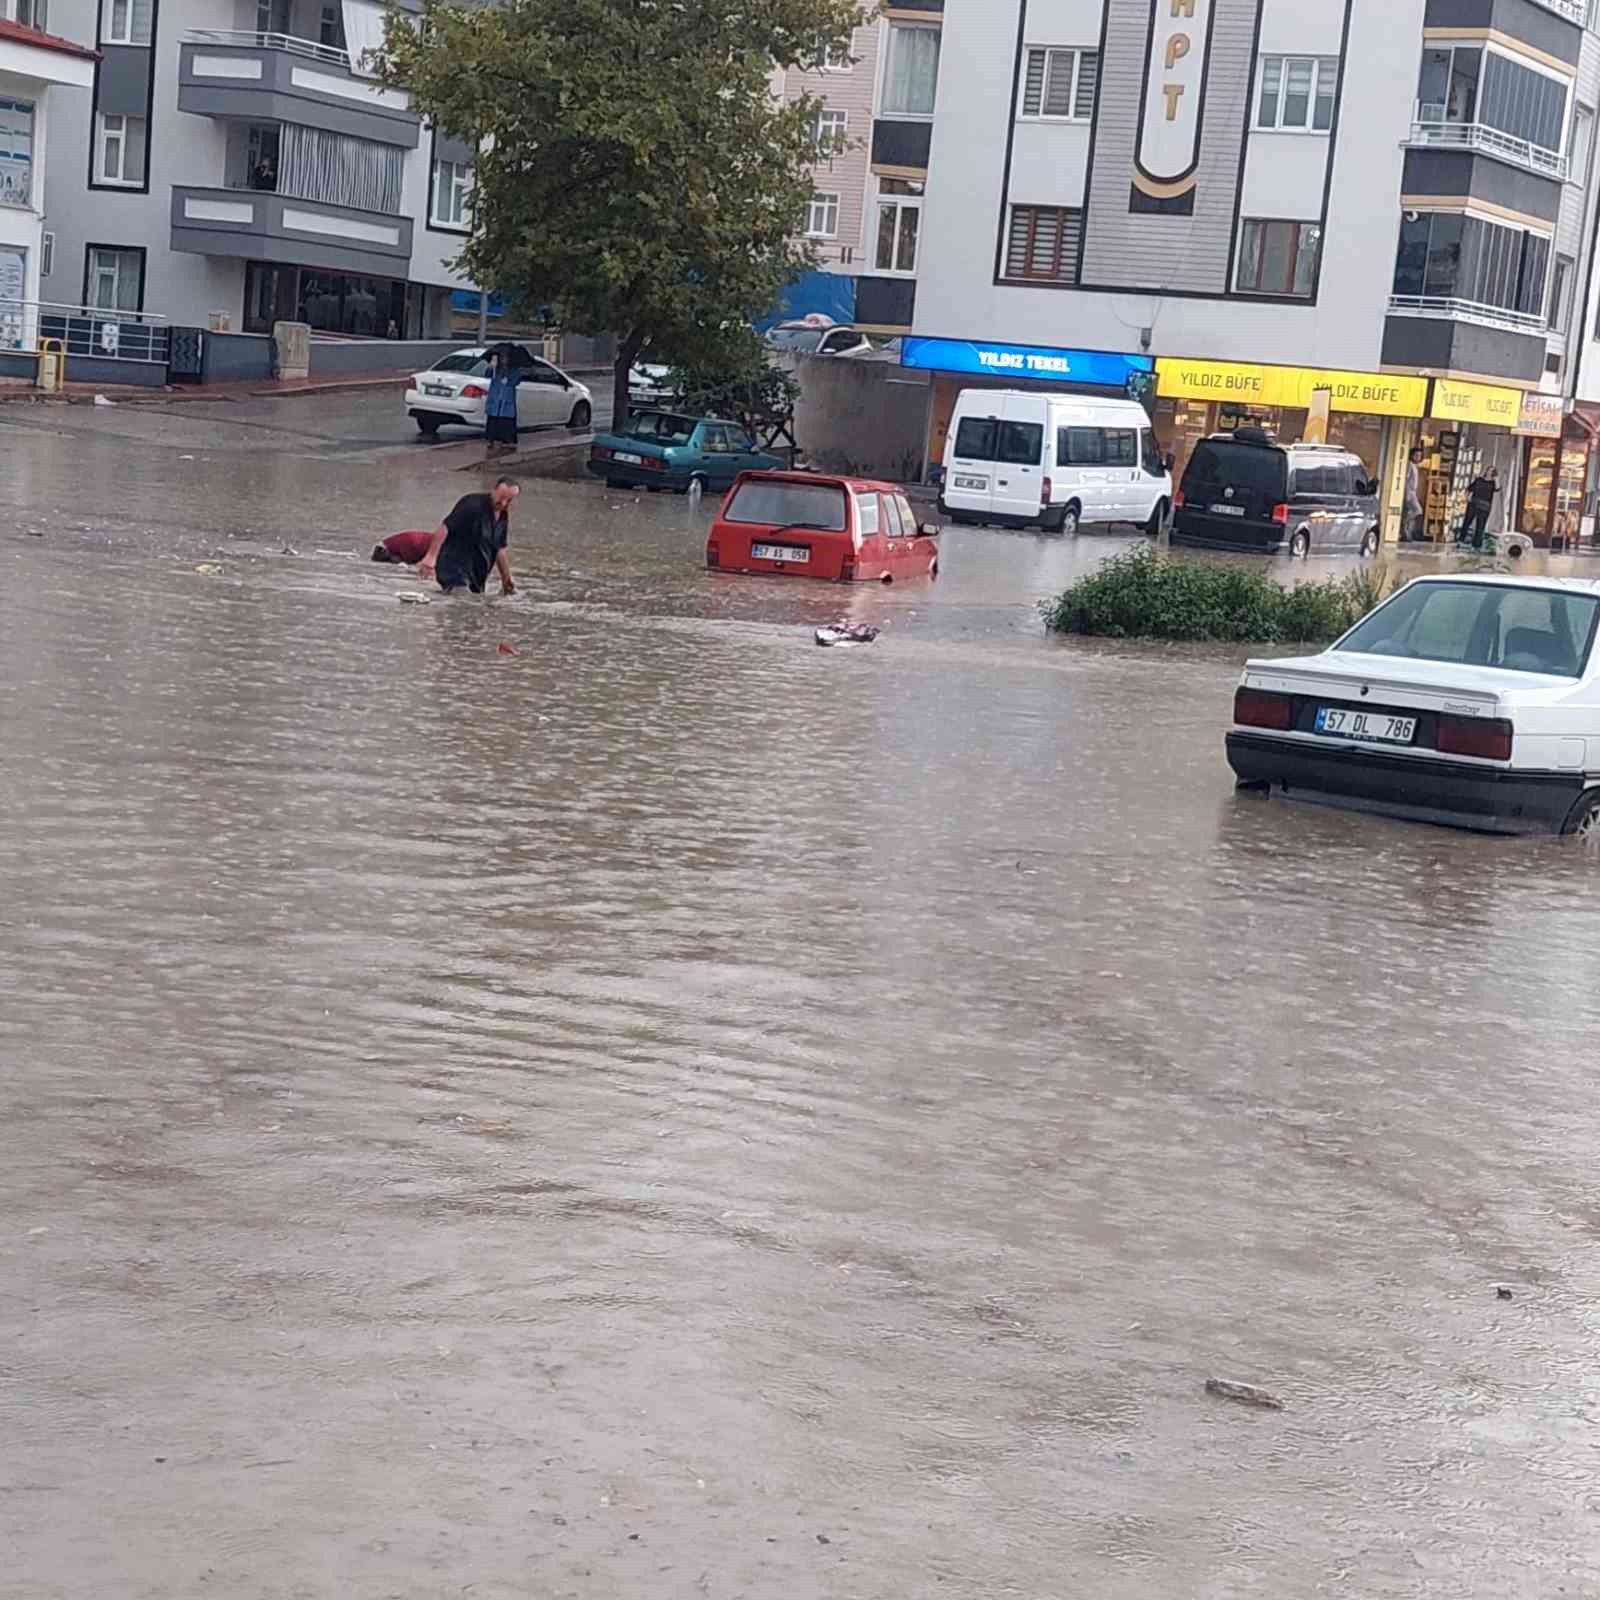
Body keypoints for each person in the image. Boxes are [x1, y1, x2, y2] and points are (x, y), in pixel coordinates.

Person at [416, 477, 521, 595]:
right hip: (454, 569)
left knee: (473, 606)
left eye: (509, 500)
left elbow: (499, 549)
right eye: (501, 497)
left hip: (476, 576)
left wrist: (506, 579)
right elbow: (445, 528)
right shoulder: (472, 504)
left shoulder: (502, 517)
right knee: (463, 600)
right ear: (494, 490)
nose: (503, 503)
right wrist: (431, 557)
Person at [483, 345, 523, 455]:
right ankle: (491, 439)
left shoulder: (514, 370)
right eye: (502, 357)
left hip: (507, 399)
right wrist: (491, 366)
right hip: (495, 398)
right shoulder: (496, 368)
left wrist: (509, 381)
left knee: (506, 420)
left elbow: (517, 380)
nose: (504, 359)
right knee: (493, 418)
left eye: (505, 357)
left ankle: (507, 440)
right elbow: (487, 375)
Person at [1459, 466, 1499, 550]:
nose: (1489, 472)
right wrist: (1467, 498)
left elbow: (1498, 488)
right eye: (1488, 470)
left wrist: (1496, 478)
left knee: (1480, 526)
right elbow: (1469, 488)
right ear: (1486, 471)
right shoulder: (1479, 480)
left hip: (1485, 506)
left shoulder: (1493, 483)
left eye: (1492, 471)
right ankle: (1461, 540)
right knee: (1467, 522)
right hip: (1474, 503)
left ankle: (1476, 545)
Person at [1405, 446, 1425, 542]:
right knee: (1418, 510)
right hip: (1409, 492)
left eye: (1419, 456)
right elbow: (1406, 479)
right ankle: (1404, 523)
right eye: (1416, 455)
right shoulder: (1409, 465)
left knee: (1412, 512)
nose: (1418, 457)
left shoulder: (1414, 466)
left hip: (1413, 492)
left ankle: (1407, 532)